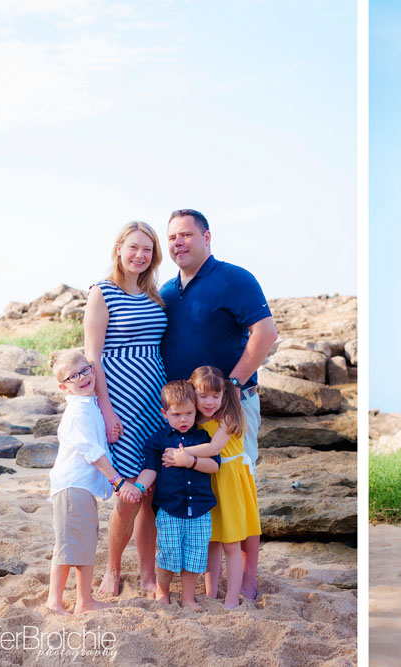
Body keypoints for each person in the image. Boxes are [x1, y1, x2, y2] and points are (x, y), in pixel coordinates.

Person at [160, 209, 278, 599]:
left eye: (187, 235)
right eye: (173, 236)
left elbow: (265, 334)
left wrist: (232, 386)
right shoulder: (166, 291)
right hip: (189, 415)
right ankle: (208, 581)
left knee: (241, 490)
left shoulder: (234, 278)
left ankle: (248, 579)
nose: (179, 242)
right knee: (209, 493)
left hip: (233, 405)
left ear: (207, 238)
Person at [85, 221, 169, 597]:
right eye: (133, 247)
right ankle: (113, 570)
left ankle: (148, 574)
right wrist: (106, 409)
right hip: (120, 401)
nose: (140, 255)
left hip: (155, 401)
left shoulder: (155, 296)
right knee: (128, 491)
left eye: (147, 250)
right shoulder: (101, 293)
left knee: (150, 492)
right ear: (119, 248)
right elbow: (93, 357)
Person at [46, 350, 140, 615]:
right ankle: (56, 601)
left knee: (83, 544)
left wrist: (109, 434)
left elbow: (97, 443)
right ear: (64, 386)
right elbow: (92, 452)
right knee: (68, 545)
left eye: (85, 370)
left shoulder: (91, 406)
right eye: (73, 376)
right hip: (72, 486)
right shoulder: (78, 412)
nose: (82, 377)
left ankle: (83, 600)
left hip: (82, 488)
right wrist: (119, 482)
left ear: (93, 370)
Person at [162, 366, 261, 609]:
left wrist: (179, 454)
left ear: (224, 394)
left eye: (215, 396)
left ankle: (230, 600)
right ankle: (211, 593)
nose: (209, 402)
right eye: (203, 396)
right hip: (208, 482)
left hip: (230, 482)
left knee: (231, 542)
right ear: (192, 392)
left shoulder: (227, 416)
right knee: (211, 539)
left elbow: (214, 449)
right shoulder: (194, 419)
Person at [130, 380, 221, 611]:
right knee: (168, 553)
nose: (184, 419)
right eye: (177, 414)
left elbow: (214, 466)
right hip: (170, 508)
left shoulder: (202, 439)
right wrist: (138, 488)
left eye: (189, 413)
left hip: (200, 508)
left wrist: (189, 461)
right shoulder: (157, 441)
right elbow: (150, 469)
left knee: (195, 555)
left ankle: (189, 598)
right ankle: (163, 592)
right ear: (164, 413)